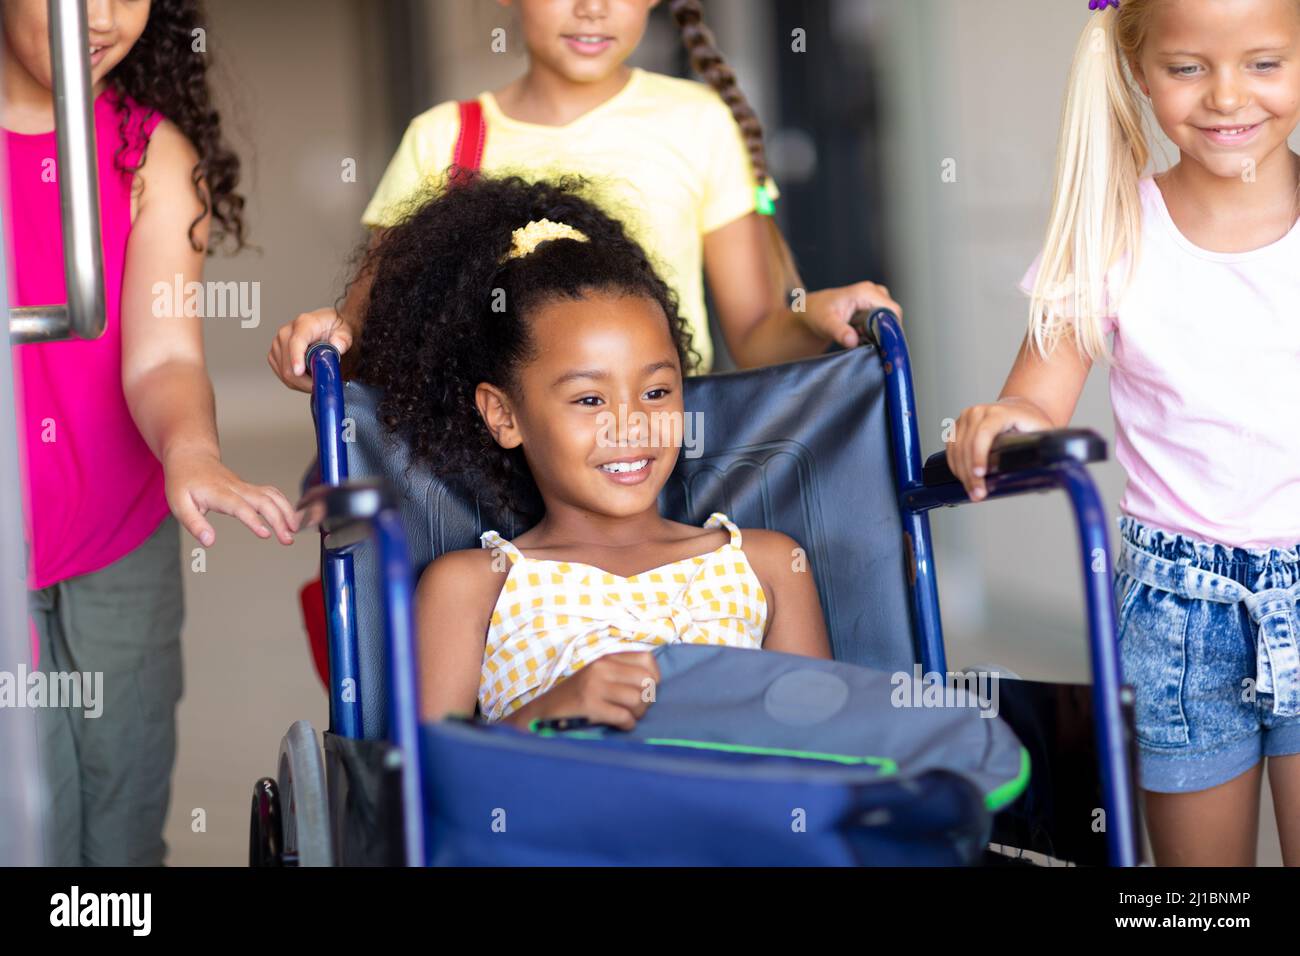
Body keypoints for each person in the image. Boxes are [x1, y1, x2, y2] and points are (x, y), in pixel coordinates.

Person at [949, 0, 1300, 866]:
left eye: (1264, 64)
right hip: (1178, 617)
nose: (1226, 96)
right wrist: (1003, 422)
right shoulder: (1109, 236)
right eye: (1188, 68)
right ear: (1140, 71)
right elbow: (1034, 401)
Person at [348, 173, 832, 728]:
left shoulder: (765, 564)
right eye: (589, 399)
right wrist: (550, 711)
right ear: (504, 415)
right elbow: (428, 790)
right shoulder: (475, 586)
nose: (630, 426)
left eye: (655, 392)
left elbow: (827, 752)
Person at [1, 0, 298, 865]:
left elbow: (161, 354)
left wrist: (192, 449)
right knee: (34, 822)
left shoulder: (150, 154)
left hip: (117, 543)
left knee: (124, 807)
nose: (97, 16)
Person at [267, 0, 901, 389]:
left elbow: (757, 333)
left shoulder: (698, 121)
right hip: (488, 470)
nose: (593, 7)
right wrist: (325, 341)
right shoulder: (441, 140)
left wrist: (814, 313)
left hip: (662, 457)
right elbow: (367, 333)